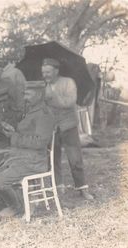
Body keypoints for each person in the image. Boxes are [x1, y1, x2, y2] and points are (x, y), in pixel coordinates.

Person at [0, 81, 54, 217]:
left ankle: (18, 206)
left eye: (28, 94)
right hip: (20, 157)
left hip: (34, 161)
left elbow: (39, 142)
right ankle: (16, 204)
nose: (25, 97)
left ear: (39, 94)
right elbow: (27, 133)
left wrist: (14, 137)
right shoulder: (32, 111)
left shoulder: (44, 114)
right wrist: (10, 131)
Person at [42, 58, 94, 200]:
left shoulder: (68, 82)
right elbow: (41, 108)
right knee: (53, 158)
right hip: (52, 127)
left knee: (75, 158)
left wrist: (51, 95)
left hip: (68, 125)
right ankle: (58, 187)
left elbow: (69, 102)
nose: (45, 75)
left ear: (56, 71)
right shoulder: (42, 86)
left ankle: (82, 188)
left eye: (48, 72)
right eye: (43, 72)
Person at [0, 58, 25, 128]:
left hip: (7, 118)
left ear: (2, 71)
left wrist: (15, 117)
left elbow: (16, 101)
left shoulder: (8, 84)